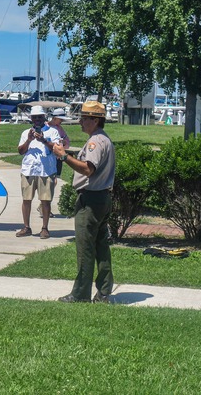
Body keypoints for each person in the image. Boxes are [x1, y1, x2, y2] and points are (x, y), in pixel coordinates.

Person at [57, 101, 116, 303]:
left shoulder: (95, 142)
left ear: (95, 120)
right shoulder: (103, 139)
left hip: (91, 199)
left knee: (85, 247)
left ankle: (80, 293)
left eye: (84, 118)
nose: (80, 122)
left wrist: (64, 157)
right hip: (103, 197)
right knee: (101, 246)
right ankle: (104, 292)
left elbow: (88, 169)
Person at [16, 105, 61, 239]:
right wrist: (29, 140)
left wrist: (44, 140)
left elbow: (57, 148)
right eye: (34, 117)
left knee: (45, 201)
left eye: (40, 117)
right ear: (31, 119)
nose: (37, 120)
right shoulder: (26, 133)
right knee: (26, 200)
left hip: (46, 171)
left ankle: (45, 228)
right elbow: (20, 151)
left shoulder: (53, 132)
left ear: (44, 117)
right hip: (29, 170)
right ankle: (26, 227)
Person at [44, 107, 71, 218]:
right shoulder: (46, 127)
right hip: (49, 158)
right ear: (55, 118)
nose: (61, 121)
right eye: (60, 119)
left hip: (57, 158)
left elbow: (67, 142)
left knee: (53, 182)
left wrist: (63, 142)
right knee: (51, 182)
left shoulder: (60, 129)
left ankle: (45, 205)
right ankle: (45, 206)